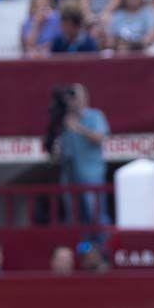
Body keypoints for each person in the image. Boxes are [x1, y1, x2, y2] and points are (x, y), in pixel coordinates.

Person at [53, 84, 109, 224]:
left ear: (84, 98)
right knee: (72, 215)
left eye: (75, 96)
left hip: (91, 173)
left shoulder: (95, 116)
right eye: (70, 97)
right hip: (70, 174)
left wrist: (78, 127)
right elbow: (59, 150)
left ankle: (101, 244)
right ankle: (79, 243)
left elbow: (100, 138)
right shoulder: (63, 120)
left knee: (95, 212)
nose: (72, 101)